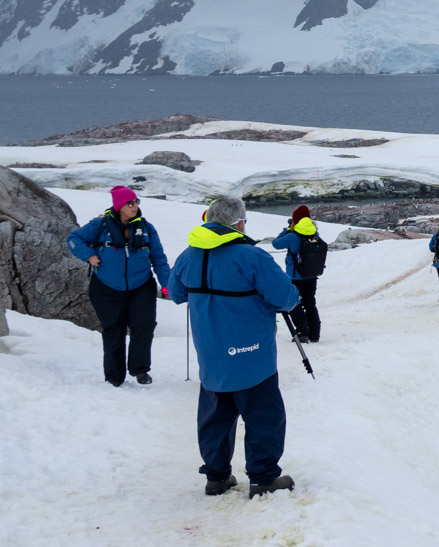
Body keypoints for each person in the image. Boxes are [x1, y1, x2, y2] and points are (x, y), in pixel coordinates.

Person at [170, 195, 302, 498]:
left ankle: (216, 477)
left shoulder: (189, 255)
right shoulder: (252, 256)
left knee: (215, 418)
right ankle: (264, 478)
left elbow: (176, 293)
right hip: (252, 355)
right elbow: (286, 298)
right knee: (264, 417)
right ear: (239, 223)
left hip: (211, 356)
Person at [66, 185, 173, 387]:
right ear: (119, 206)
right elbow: (73, 239)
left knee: (144, 325)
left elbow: (159, 258)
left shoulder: (146, 228)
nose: (134, 206)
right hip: (106, 287)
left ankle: (140, 370)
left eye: (136, 202)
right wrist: (89, 255)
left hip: (141, 285)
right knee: (113, 329)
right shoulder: (100, 225)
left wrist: (167, 284)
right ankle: (114, 376)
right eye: (129, 203)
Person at [272, 206, 325, 343]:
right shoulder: (314, 233)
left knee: (295, 304)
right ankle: (314, 334)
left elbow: (275, 244)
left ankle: (302, 333)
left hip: (296, 276)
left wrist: (287, 229)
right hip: (311, 274)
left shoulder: (292, 236)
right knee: (310, 303)